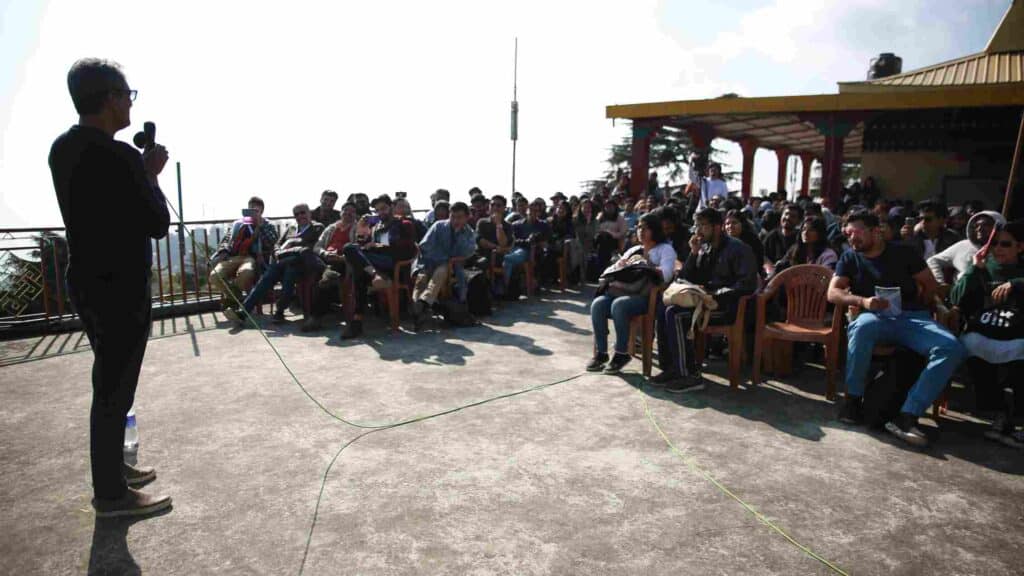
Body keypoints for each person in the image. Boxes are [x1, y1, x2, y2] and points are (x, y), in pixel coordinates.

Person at [49, 58, 172, 517]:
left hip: (86, 280)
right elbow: (157, 223)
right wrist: (150, 175)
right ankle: (112, 494)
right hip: (121, 287)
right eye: (127, 95)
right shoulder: (119, 157)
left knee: (108, 381)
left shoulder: (62, 148)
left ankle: (113, 470)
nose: (129, 104)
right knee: (114, 389)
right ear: (108, 98)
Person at [827, 210, 965, 447]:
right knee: (861, 329)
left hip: (911, 317)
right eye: (848, 234)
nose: (852, 238)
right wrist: (862, 302)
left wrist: (927, 306)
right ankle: (853, 399)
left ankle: (909, 413)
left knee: (951, 347)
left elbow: (929, 285)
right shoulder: (850, 258)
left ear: (875, 231)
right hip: (874, 316)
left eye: (857, 232)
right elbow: (833, 292)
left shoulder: (904, 253)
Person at [652, 208, 758, 392]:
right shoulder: (704, 247)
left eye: (703, 226)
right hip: (705, 302)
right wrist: (693, 253)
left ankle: (690, 375)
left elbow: (746, 285)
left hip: (727, 306)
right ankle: (672, 368)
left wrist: (713, 294)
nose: (698, 230)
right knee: (664, 307)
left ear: (717, 227)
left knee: (676, 315)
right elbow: (685, 278)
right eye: (697, 225)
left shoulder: (738, 248)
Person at [949, 220, 1024, 448]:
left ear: (1020, 247)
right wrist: (973, 270)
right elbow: (955, 299)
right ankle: (999, 414)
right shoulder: (982, 268)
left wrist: (1016, 284)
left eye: (1005, 244)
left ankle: (1019, 421)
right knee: (971, 347)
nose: (998, 249)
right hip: (984, 331)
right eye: (995, 245)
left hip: (1017, 333)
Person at [587, 212, 676, 374]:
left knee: (619, 305)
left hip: (646, 297)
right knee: (598, 304)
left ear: (655, 230)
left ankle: (622, 353)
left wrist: (646, 265)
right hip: (623, 290)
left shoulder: (665, 250)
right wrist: (624, 264)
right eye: (639, 227)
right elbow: (613, 269)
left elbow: (668, 274)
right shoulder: (635, 249)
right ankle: (601, 353)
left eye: (646, 228)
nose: (641, 231)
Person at [225, 204, 325, 326]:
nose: (300, 216)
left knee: (290, 271)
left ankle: (279, 311)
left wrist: (289, 245)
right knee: (266, 278)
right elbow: (278, 244)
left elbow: (309, 246)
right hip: (284, 262)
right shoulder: (292, 228)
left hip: (302, 264)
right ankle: (244, 312)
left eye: (302, 212)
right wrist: (279, 251)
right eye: (296, 214)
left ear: (309, 213)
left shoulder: (317, 227)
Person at [341, 195, 417, 338]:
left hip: (394, 265)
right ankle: (375, 276)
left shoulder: (404, 224)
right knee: (351, 251)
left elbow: (408, 249)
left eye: (384, 209)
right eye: (377, 210)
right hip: (374, 264)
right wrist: (362, 228)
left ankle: (357, 321)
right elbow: (363, 247)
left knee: (357, 263)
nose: (381, 213)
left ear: (392, 207)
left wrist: (380, 246)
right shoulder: (376, 227)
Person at [411, 202, 478, 330]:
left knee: (441, 271)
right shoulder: (438, 226)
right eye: (453, 216)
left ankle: (423, 304)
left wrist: (459, 236)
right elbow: (425, 247)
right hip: (427, 261)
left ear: (466, 217)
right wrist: (442, 257)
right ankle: (418, 309)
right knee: (421, 280)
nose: (455, 220)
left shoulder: (468, 233)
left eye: (459, 217)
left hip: (449, 266)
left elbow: (467, 252)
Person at [209, 196, 279, 309]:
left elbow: (273, 241)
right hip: (234, 256)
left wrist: (259, 226)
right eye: (250, 209)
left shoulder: (266, 224)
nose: (252, 212)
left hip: (252, 257)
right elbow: (227, 239)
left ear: (261, 211)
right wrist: (223, 251)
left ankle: (232, 300)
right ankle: (236, 298)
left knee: (246, 273)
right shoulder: (238, 224)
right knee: (215, 276)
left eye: (255, 210)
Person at [306, 201, 358, 331]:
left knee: (328, 273)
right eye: (345, 210)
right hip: (325, 259)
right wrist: (325, 253)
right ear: (340, 213)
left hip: (343, 261)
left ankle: (315, 317)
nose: (348, 214)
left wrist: (342, 257)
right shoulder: (331, 228)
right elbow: (317, 246)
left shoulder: (358, 228)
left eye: (351, 211)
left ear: (355, 215)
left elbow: (358, 249)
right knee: (322, 269)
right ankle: (327, 274)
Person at [928, 210, 1005, 295]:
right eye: (976, 225)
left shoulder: (1007, 248)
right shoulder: (962, 246)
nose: (979, 229)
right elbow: (933, 260)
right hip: (960, 299)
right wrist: (940, 282)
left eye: (986, 225)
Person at [502, 200, 550, 298]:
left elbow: (546, 240)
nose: (533, 213)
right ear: (527, 210)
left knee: (508, 259)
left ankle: (505, 288)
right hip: (517, 248)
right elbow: (513, 240)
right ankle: (506, 287)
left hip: (534, 252)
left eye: (536, 211)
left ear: (539, 213)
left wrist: (534, 241)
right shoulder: (516, 225)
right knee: (509, 260)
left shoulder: (544, 225)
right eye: (531, 210)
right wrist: (526, 241)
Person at [773, 216, 838, 273]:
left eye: (811, 230)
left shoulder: (828, 255)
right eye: (803, 229)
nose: (805, 233)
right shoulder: (795, 250)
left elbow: (826, 276)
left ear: (820, 233)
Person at [762, 203, 804, 273]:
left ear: (799, 221)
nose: (787, 218)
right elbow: (763, 256)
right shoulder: (771, 236)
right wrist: (770, 268)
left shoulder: (801, 238)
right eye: (786, 214)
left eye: (793, 216)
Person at [724, 209, 765, 277]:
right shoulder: (723, 241)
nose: (730, 226)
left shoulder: (752, 241)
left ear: (742, 224)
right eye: (727, 224)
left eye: (734, 223)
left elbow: (757, 263)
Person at [595, 199, 628, 272]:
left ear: (615, 207)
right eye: (607, 207)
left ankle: (604, 268)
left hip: (614, 241)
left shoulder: (619, 218)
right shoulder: (600, 217)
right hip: (600, 239)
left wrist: (611, 233)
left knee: (606, 241)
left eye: (611, 206)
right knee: (601, 239)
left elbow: (623, 233)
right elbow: (595, 228)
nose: (609, 208)